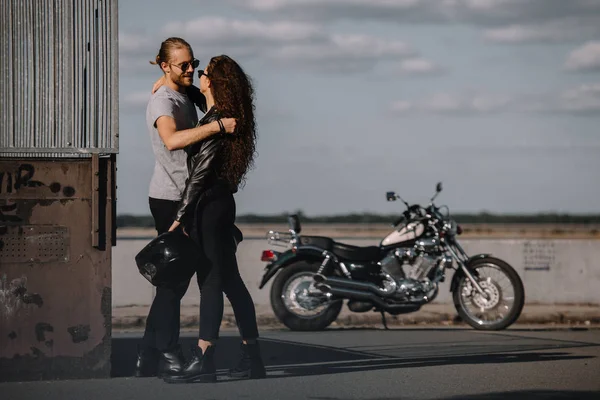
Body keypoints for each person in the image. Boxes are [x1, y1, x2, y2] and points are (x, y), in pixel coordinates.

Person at [135, 37, 237, 379]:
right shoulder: (163, 100)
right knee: (173, 282)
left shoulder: (179, 92)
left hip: (188, 198)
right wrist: (217, 127)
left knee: (173, 281)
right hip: (170, 199)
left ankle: (149, 353)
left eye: (193, 63)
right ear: (165, 65)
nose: (192, 69)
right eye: (184, 65)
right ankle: (167, 351)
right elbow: (172, 139)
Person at [162, 55, 266, 384]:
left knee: (210, 283)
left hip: (207, 206)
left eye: (203, 72)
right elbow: (197, 96)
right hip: (221, 205)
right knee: (232, 283)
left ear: (212, 82)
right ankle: (253, 359)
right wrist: (166, 85)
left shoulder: (219, 121)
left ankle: (204, 359)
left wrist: (180, 216)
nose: (198, 74)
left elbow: (200, 176)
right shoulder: (222, 115)